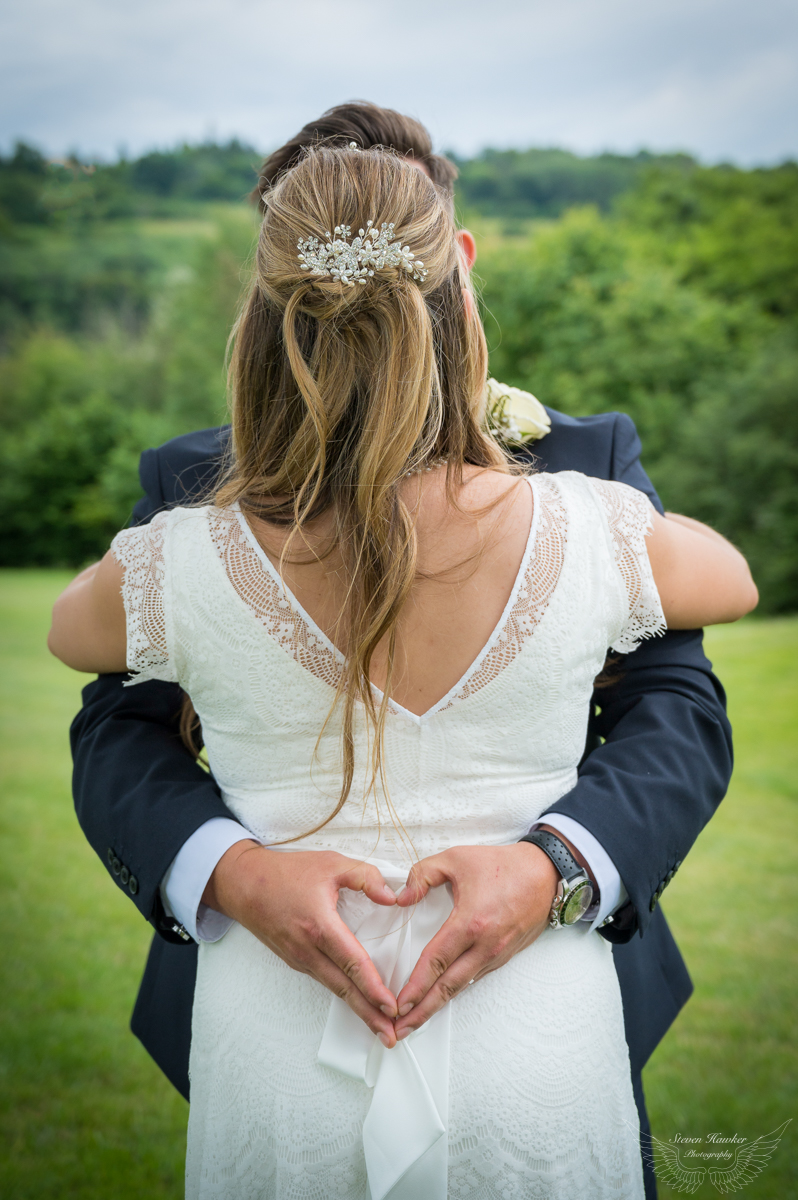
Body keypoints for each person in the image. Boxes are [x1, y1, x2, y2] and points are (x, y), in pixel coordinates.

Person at [50, 134, 757, 1199]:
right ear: (457, 286)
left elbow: (72, 636)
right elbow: (733, 580)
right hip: (520, 1026)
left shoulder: (185, 547)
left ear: (267, 311)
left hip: (294, 1036)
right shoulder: (591, 521)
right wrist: (228, 871)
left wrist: (558, 865)